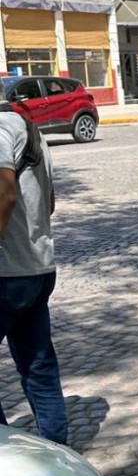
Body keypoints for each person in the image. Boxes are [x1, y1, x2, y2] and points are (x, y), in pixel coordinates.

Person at [0, 104, 68, 444]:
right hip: (38, 269)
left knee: (37, 367)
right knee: (39, 368)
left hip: (6, 274)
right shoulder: (31, 131)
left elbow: (5, 193)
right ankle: (58, 457)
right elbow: (49, 202)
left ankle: (5, 462)